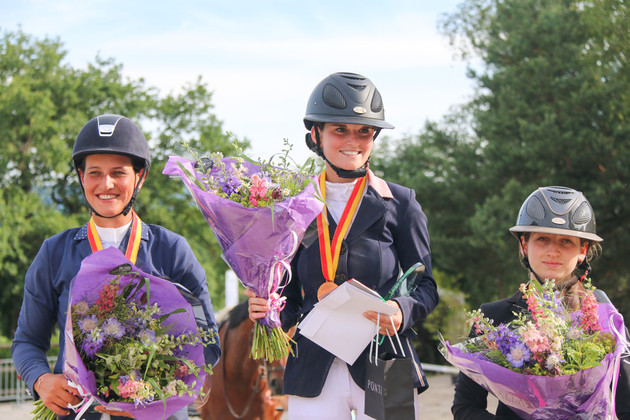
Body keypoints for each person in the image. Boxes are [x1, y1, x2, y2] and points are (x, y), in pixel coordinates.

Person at [245, 72, 439, 419]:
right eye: (340, 130)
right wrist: (268, 311)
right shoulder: (294, 206)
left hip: (383, 359)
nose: (354, 140)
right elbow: (289, 296)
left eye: (364, 131)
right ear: (315, 135)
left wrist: (400, 310)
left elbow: (426, 287)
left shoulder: (402, 203)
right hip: (312, 367)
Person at [11, 114, 221, 420]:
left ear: (140, 177)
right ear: (81, 177)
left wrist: (148, 390)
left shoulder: (171, 250)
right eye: (94, 173)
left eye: (118, 173)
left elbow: (208, 342)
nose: (105, 184)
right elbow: (27, 341)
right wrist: (41, 380)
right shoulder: (54, 253)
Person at [451, 186, 630, 419]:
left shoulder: (603, 313)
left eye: (566, 241)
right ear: (524, 245)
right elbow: (465, 407)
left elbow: (626, 404)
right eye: (542, 239)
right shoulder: (492, 317)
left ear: (582, 250)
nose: (552, 251)